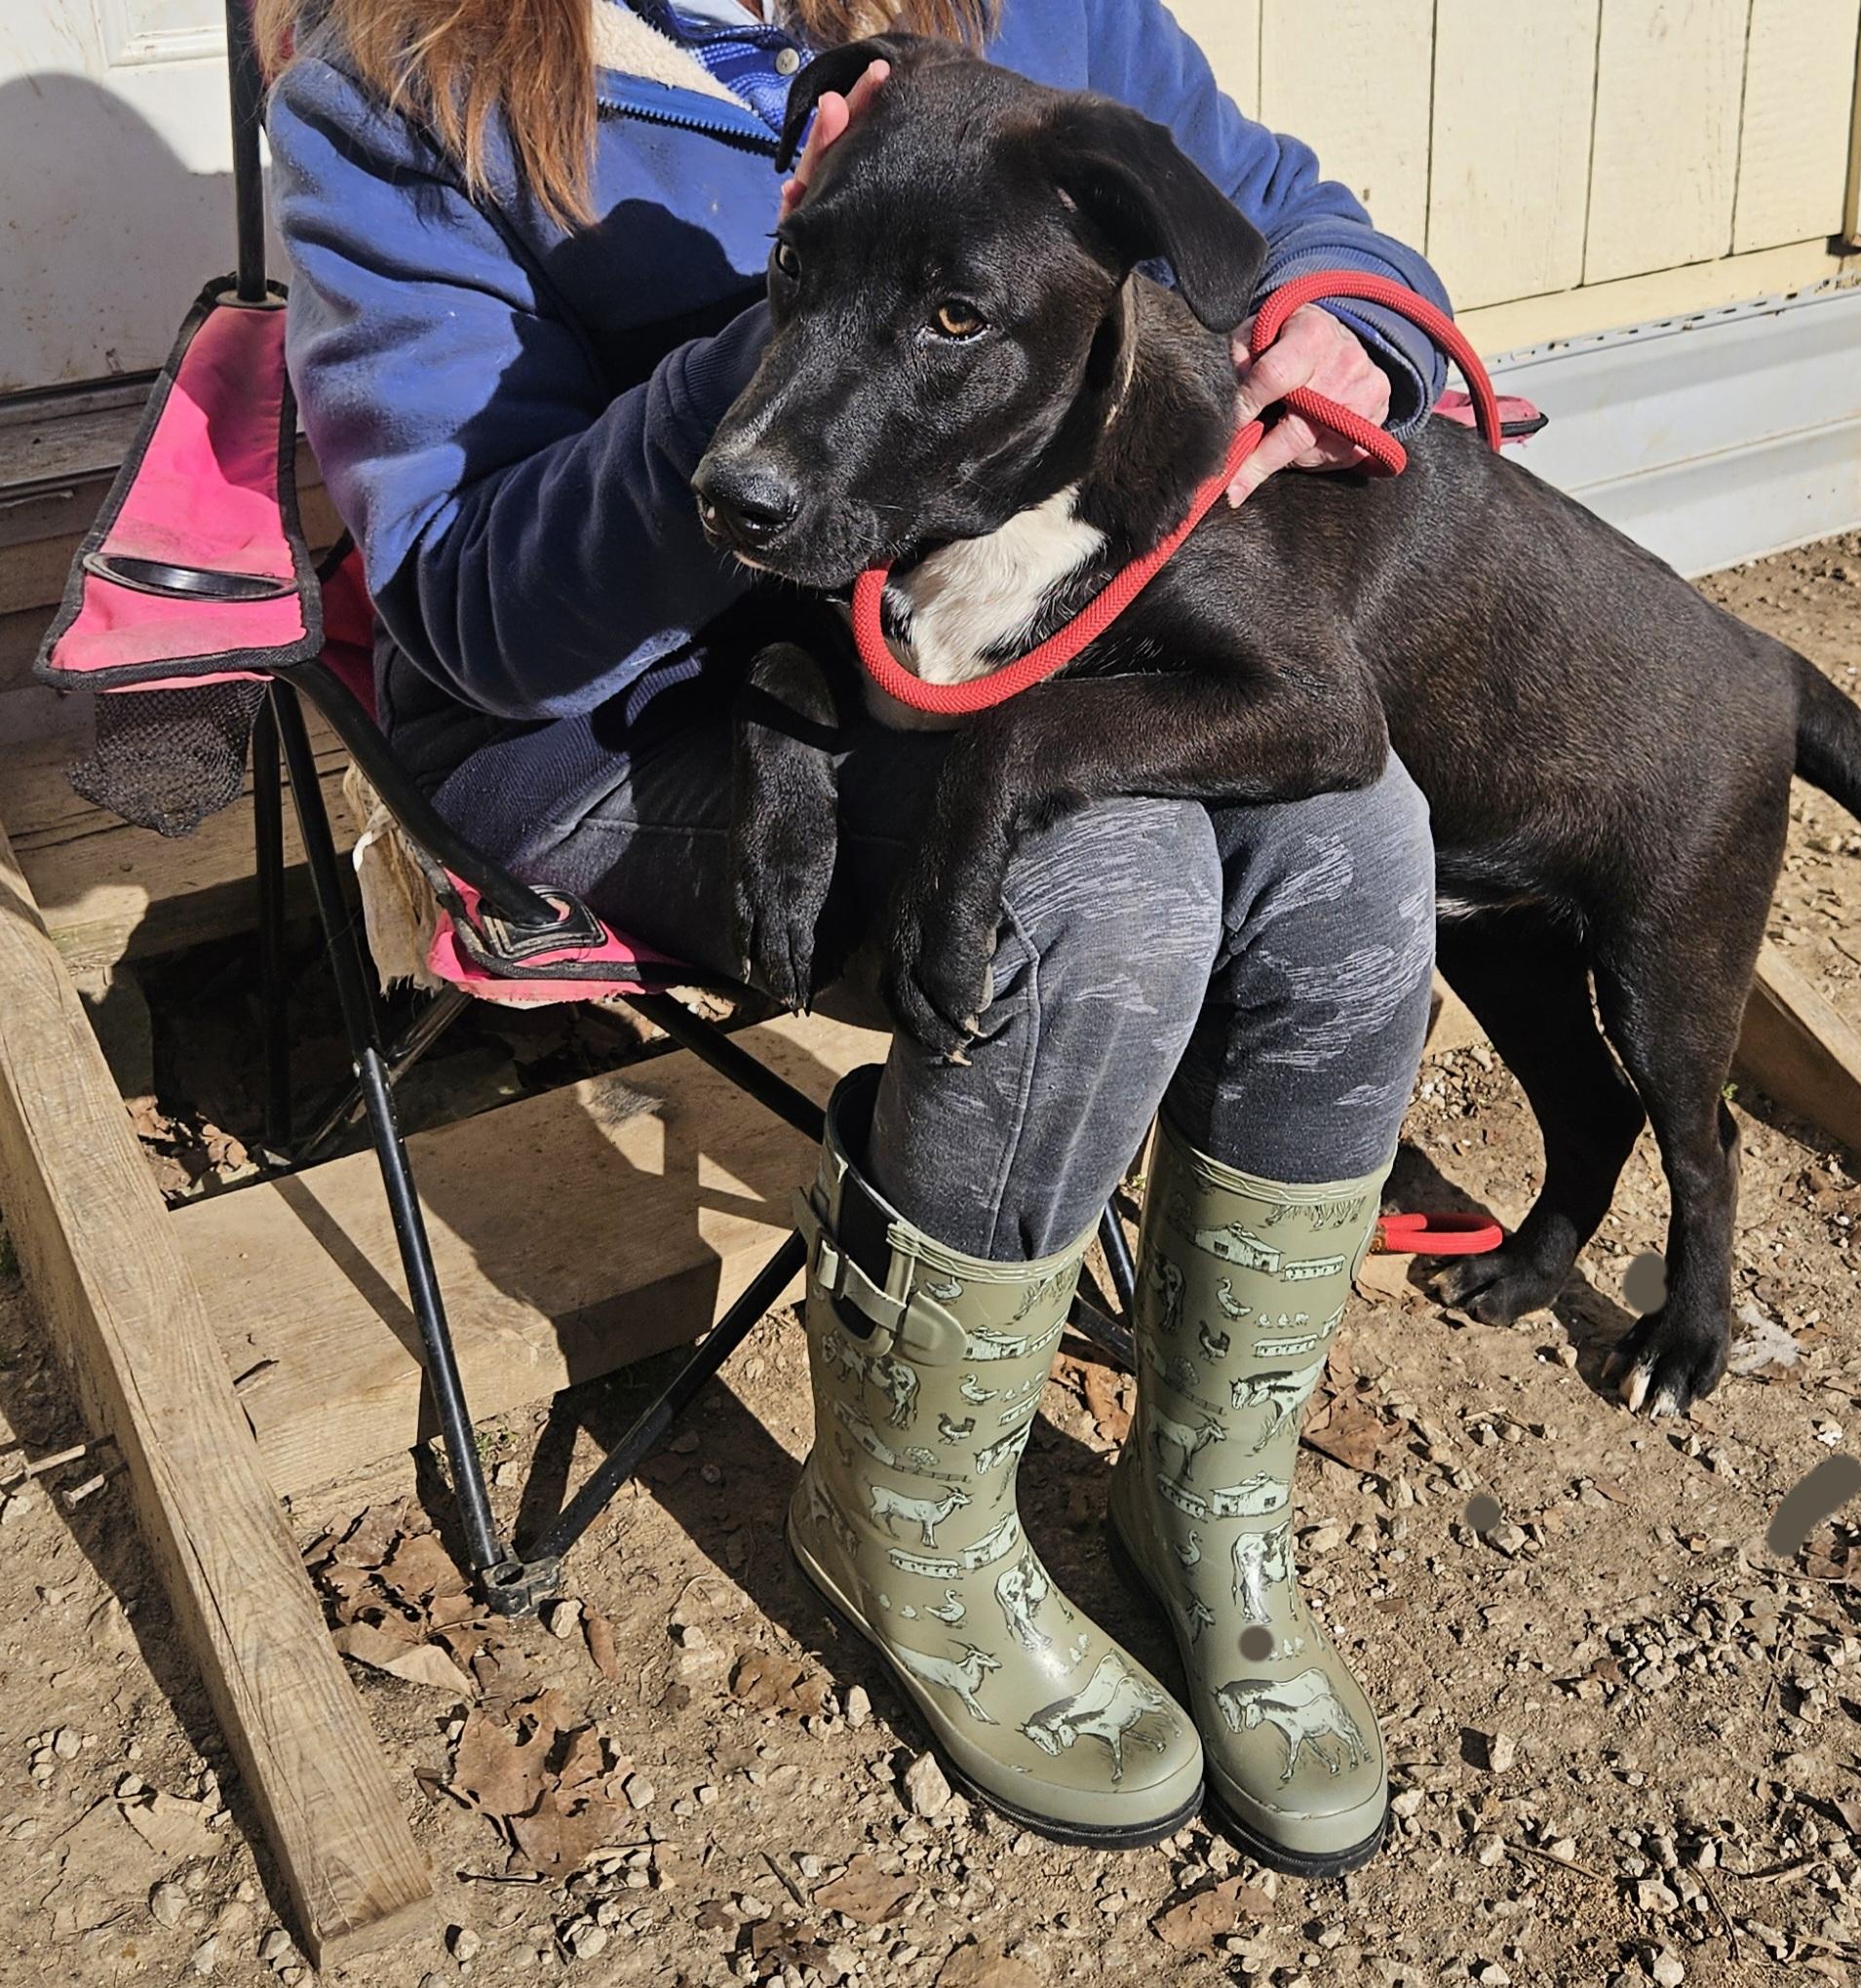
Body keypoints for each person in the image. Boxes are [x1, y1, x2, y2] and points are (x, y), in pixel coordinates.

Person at [261, 0, 1446, 1873]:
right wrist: (824, 343)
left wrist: (1350, 329)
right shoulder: (409, 91)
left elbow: (1290, 218)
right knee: (1105, 890)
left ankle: (1208, 1490)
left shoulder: (1023, 17)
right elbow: (466, 607)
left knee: (1353, 831)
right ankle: (906, 1519)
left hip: (982, 634)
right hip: (622, 724)